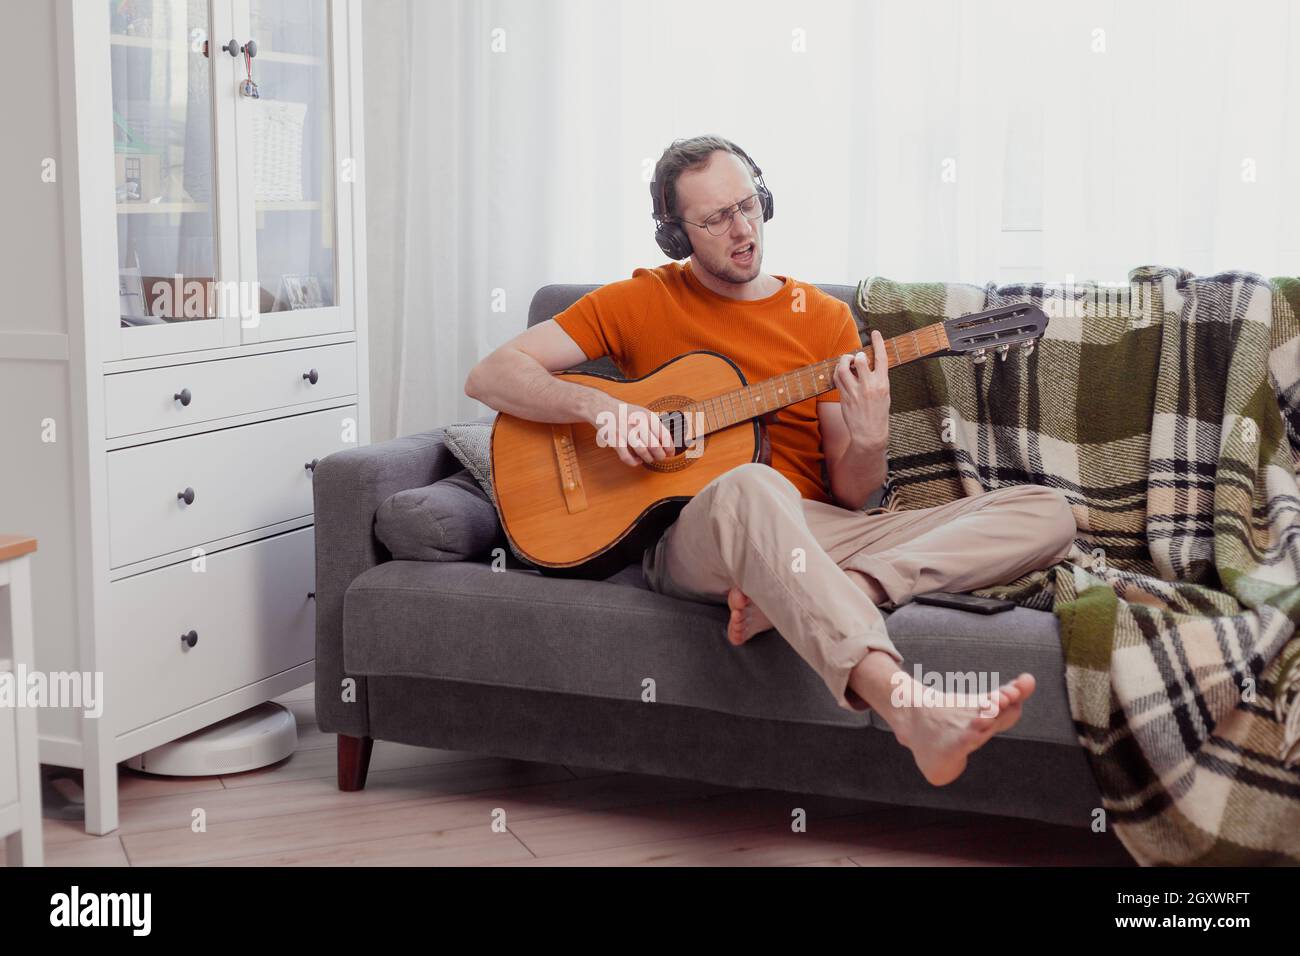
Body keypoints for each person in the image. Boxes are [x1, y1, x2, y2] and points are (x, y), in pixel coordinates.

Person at [464, 135, 1077, 786]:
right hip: (703, 532)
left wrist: (868, 438)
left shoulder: (822, 319)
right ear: (676, 235)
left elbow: (850, 495)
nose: (742, 229)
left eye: (749, 205)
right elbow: (491, 374)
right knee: (753, 485)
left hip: (818, 527)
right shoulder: (639, 300)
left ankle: (838, 588)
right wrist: (598, 409)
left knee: (1047, 512)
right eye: (715, 218)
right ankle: (909, 707)